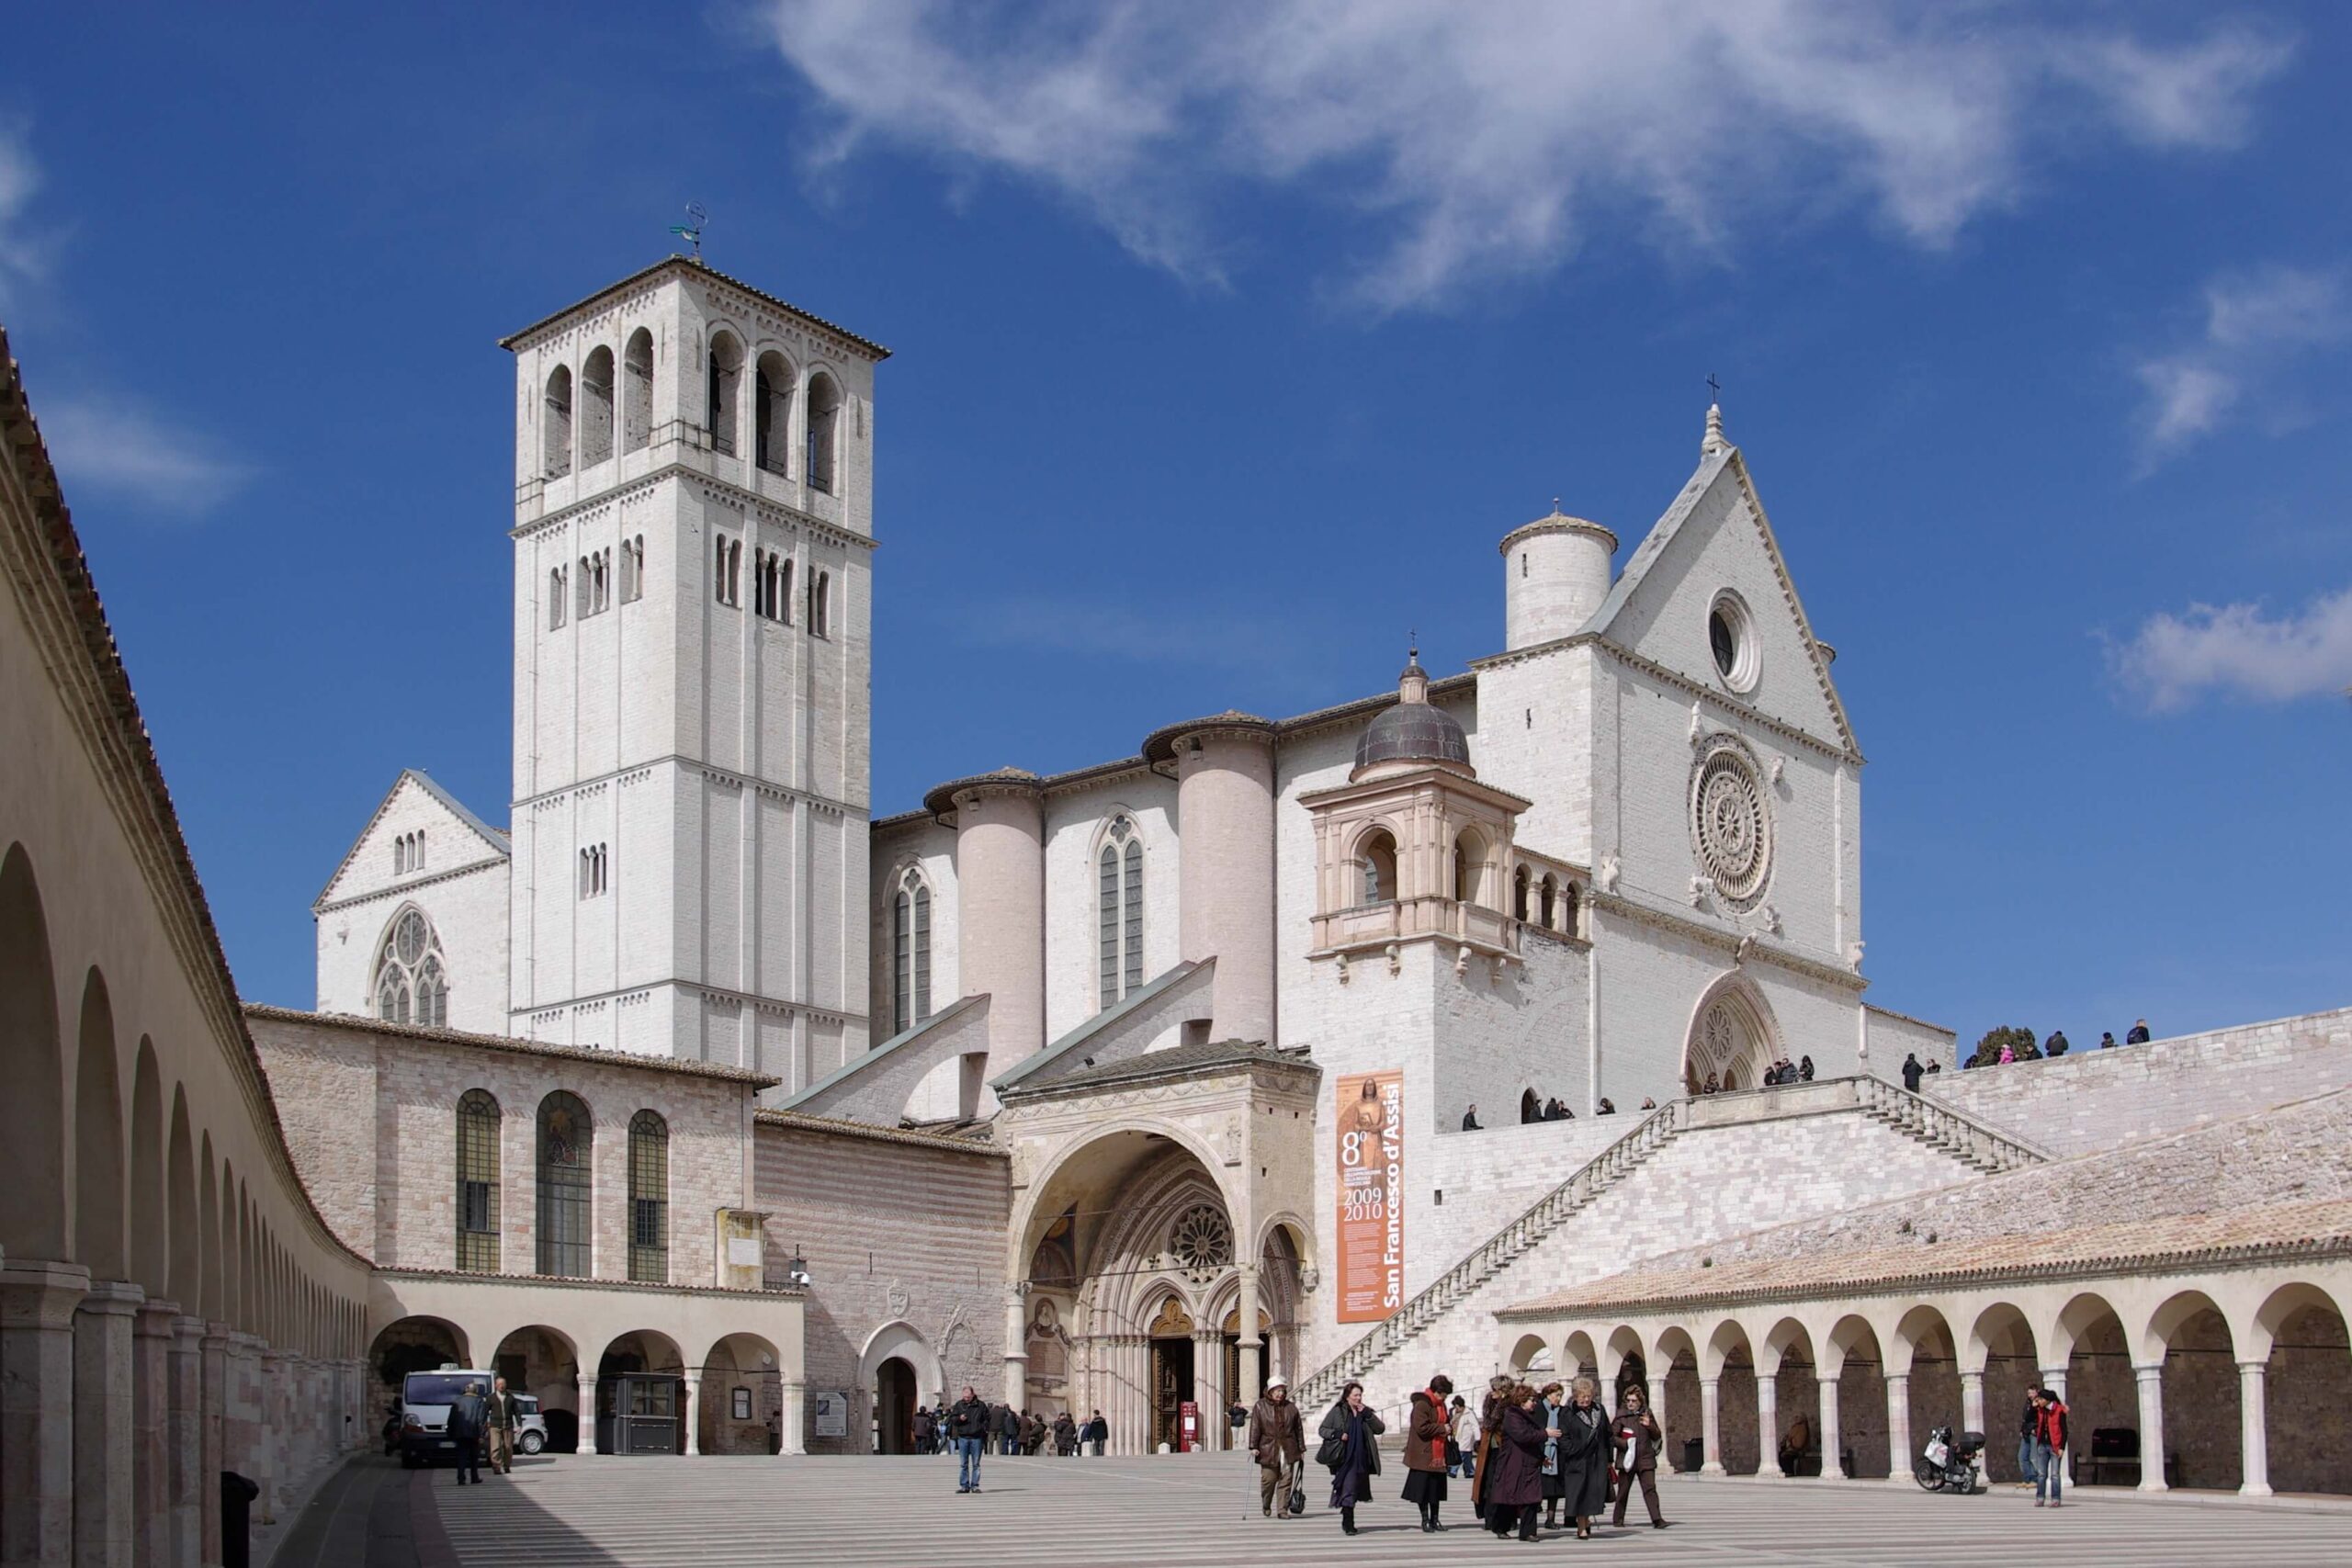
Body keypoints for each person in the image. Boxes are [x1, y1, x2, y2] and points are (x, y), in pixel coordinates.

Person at [1319, 1381, 1385, 1535]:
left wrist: (1368, 1414)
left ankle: (1346, 1513)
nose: (1359, 1398)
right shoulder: (1338, 1412)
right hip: (1345, 1458)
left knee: (1355, 1490)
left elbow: (1380, 1429)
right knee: (1348, 1488)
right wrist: (1337, 1434)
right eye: (1355, 1395)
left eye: (1360, 1395)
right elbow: (1323, 1429)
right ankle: (1348, 1523)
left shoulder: (1365, 1412)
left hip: (1361, 1457)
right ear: (1347, 1397)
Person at [1483, 1383, 1545, 1540]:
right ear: (1522, 1400)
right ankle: (1500, 1527)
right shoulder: (1511, 1416)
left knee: (1531, 1498)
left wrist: (1542, 1458)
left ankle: (1528, 1532)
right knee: (1509, 1497)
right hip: (1513, 1463)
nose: (1534, 1402)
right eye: (1531, 1399)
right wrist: (1545, 1433)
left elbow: (1532, 1440)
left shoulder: (1529, 1416)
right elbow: (1523, 1436)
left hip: (1529, 1463)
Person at [1556, 1378, 1611, 1540]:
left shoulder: (1599, 1410)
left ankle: (1585, 1521)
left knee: (1592, 1494)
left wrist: (1609, 1459)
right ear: (1574, 1395)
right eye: (1582, 1396)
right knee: (1579, 1493)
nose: (1586, 1399)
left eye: (1588, 1396)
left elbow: (1607, 1434)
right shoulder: (1567, 1413)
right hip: (1577, 1460)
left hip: (1596, 1460)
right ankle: (1581, 1527)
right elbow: (1563, 1437)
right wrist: (1572, 1451)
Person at [1610, 1385, 1668, 1529]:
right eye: (1628, 1400)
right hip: (1627, 1459)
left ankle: (1657, 1519)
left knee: (1650, 1489)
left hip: (1645, 1458)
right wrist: (1625, 1443)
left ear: (1640, 1401)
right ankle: (1618, 1519)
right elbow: (1611, 1437)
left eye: (1634, 1401)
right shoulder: (1621, 1416)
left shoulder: (1647, 1413)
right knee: (1623, 1490)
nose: (1630, 1403)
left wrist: (1649, 1426)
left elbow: (1657, 1435)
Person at [1403, 1372, 1454, 1532]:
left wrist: (1448, 1428)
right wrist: (1441, 1428)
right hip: (1424, 1454)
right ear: (1437, 1391)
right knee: (1423, 1491)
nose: (1445, 1398)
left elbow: (1444, 1421)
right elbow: (1421, 1428)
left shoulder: (1441, 1405)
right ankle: (1425, 1519)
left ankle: (1435, 1519)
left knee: (1436, 1490)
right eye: (1444, 1394)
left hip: (1438, 1454)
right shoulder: (1422, 1404)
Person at [1247, 1378, 1305, 1518]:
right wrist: (1253, 1446)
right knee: (1268, 1480)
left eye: (1282, 1390)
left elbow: (1298, 1429)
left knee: (1286, 1479)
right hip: (1268, 1448)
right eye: (1278, 1390)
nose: (1280, 1393)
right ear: (1271, 1391)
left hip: (1287, 1448)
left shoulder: (1291, 1408)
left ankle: (1282, 1510)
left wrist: (1301, 1448)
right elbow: (1255, 1427)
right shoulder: (1260, 1406)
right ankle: (1266, 1503)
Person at [1469, 1372, 1511, 1520]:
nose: (1492, 1392)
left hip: (1504, 1449)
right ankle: (1489, 1517)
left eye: (1495, 1389)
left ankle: (1504, 1518)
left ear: (1504, 1390)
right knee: (1487, 1483)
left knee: (1502, 1484)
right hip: (1488, 1449)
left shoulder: (1510, 1406)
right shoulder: (1490, 1403)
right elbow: (1487, 1426)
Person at [1538, 1381, 1568, 1530]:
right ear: (1548, 1395)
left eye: (1561, 1396)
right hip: (1540, 1452)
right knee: (1537, 1488)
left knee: (1554, 1490)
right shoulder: (1538, 1409)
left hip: (1557, 1454)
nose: (1559, 1399)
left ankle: (1550, 1519)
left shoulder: (1562, 1411)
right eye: (1557, 1395)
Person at [947, 1385, 989, 1493]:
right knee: (963, 1464)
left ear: (973, 1395)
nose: (966, 1399)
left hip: (977, 1438)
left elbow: (987, 1419)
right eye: (965, 1397)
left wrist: (982, 1429)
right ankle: (964, 1486)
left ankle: (974, 1485)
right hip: (963, 1437)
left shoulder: (981, 1405)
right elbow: (952, 1419)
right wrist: (959, 1419)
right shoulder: (959, 1405)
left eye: (968, 1397)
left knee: (976, 1464)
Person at [2032, 1387, 2069, 1508]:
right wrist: (2034, 1406)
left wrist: (2062, 1447)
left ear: (2047, 1400)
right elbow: (2028, 1418)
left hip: (2055, 1445)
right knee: (2041, 1474)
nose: (2039, 1401)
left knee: (2054, 1474)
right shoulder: (2040, 1410)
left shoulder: (2059, 1410)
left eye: (2041, 1399)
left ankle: (2055, 1499)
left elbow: (2064, 1430)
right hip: (2042, 1444)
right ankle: (2040, 1498)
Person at [447, 1380, 488, 1486]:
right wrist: (481, 1434)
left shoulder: (457, 1401)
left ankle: (461, 1478)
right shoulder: (479, 1401)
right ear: (476, 1391)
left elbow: (451, 1419)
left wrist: (450, 1433)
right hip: (474, 1433)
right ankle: (474, 1477)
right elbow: (480, 1420)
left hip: (460, 1433)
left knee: (461, 1456)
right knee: (474, 1457)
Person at [486, 1375, 516, 1474]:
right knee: (495, 1447)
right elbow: (485, 1411)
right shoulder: (491, 1398)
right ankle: (496, 1467)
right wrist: (483, 1422)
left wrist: (519, 1424)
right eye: (499, 1384)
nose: (501, 1386)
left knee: (508, 1447)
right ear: (496, 1385)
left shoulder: (510, 1397)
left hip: (508, 1425)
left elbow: (517, 1411)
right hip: (495, 1425)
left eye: (503, 1384)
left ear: (506, 1385)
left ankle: (507, 1466)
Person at [2015, 1391, 2040, 1493]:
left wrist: (2036, 1429)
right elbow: (2026, 1418)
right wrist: (2022, 1429)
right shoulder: (2028, 1404)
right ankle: (2026, 1478)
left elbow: (2040, 1419)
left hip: (2033, 1433)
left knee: (2033, 1457)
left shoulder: (2039, 1404)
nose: (2030, 1395)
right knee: (2022, 1456)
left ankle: (2035, 1479)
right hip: (2026, 1432)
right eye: (2029, 1393)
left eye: (2032, 1393)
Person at [1447, 1395, 1475, 1479]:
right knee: (1462, 1455)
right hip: (1455, 1436)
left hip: (1465, 1437)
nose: (1456, 1407)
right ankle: (1469, 1471)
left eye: (1456, 1406)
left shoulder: (1468, 1412)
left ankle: (1454, 1471)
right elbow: (1450, 1422)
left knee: (1463, 1454)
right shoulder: (1452, 1411)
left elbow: (1473, 1425)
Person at [1777, 1412, 1811, 1476]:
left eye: (1797, 1417)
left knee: (1784, 1456)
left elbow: (1799, 1443)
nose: (1795, 1418)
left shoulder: (1802, 1428)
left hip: (1797, 1450)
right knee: (1781, 1455)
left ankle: (1789, 1472)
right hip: (1793, 1449)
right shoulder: (1796, 1427)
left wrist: (1790, 1443)